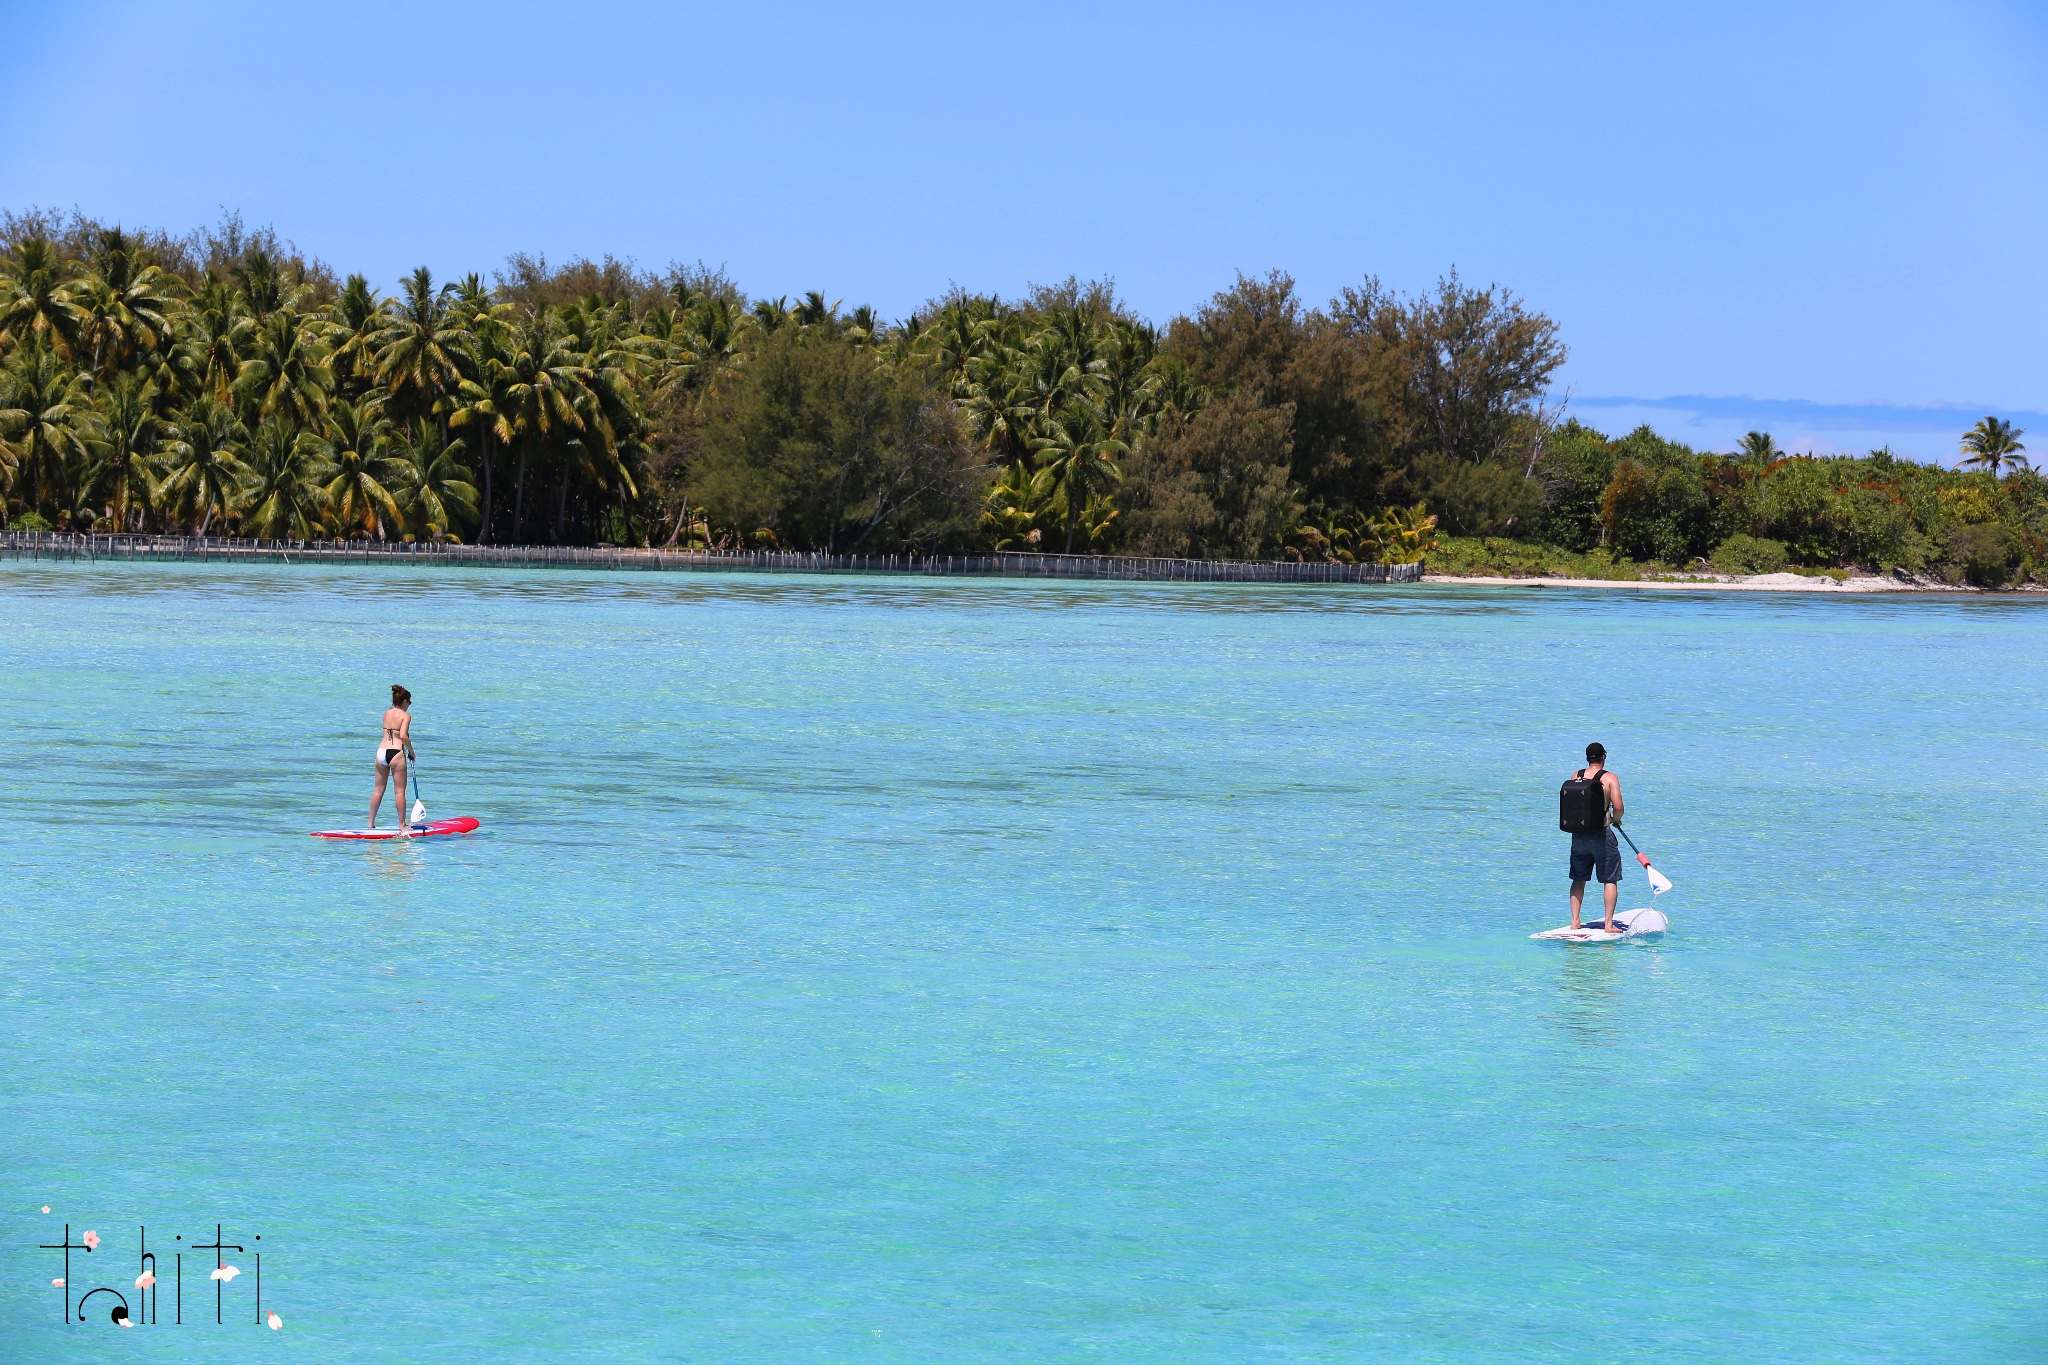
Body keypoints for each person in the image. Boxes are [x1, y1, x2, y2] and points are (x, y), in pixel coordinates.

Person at [1568, 742, 1624, 933]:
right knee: (1610, 879)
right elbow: (1618, 807)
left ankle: (1575, 921)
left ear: (1587, 758)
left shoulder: (1576, 776)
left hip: (1578, 834)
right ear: (1604, 757)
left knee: (1578, 878)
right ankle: (1608, 924)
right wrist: (1616, 820)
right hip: (1601, 834)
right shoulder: (1609, 778)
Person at [369, 685, 414, 835]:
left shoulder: (387, 713)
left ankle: (370, 824)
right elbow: (403, 736)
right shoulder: (405, 716)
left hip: (381, 752)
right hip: (396, 753)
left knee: (378, 789)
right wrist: (412, 752)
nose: (409, 705)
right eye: (410, 702)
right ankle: (402, 825)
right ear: (405, 701)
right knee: (399, 791)